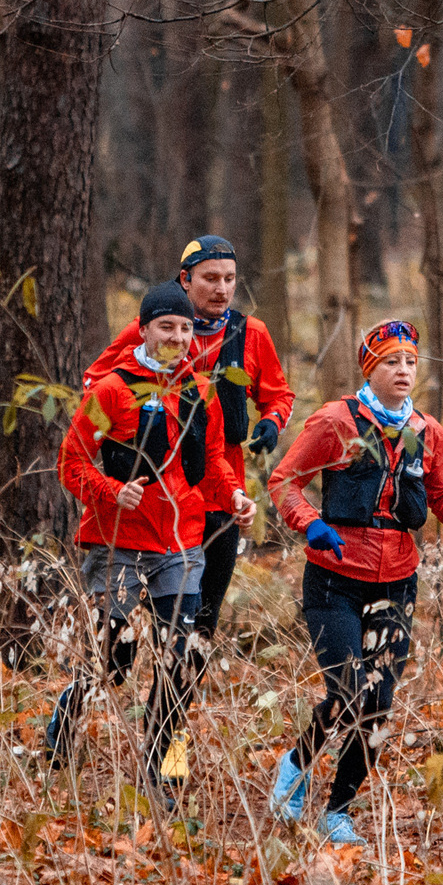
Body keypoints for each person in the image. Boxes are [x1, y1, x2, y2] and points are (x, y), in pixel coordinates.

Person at [265, 319, 443, 845]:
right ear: (370, 368)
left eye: (410, 361)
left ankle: (338, 810)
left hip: (397, 581)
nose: (403, 370)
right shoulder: (335, 421)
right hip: (335, 578)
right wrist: (310, 524)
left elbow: (442, 488)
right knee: (347, 691)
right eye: (391, 362)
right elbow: (284, 482)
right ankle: (295, 767)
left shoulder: (428, 431)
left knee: (378, 701)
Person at [47, 281, 256, 800]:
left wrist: (234, 498)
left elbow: (211, 465)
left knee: (180, 659)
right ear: (143, 330)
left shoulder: (199, 389)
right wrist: (112, 492)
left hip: (181, 544)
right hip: (117, 541)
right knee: (110, 661)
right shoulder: (112, 391)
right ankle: (66, 717)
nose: (178, 337)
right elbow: (71, 462)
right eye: (167, 326)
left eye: (186, 328)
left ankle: (168, 764)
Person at [85, 235, 295, 641]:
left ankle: (165, 705)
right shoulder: (150, 329)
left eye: (230, 279)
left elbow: (279, 395)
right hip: (156, 503)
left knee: (199, 631)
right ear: (185, 279)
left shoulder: (251, 332)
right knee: (120, 642)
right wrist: (126, 434)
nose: (221, 289)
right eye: (210, 278)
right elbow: (95, 383)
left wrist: (271, 422)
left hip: (222, 493)